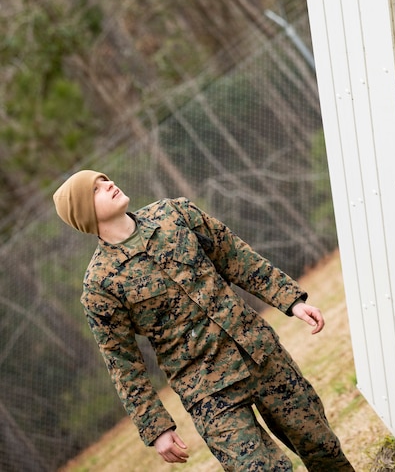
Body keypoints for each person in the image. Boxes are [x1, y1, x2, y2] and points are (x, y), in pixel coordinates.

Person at [53, 169, 355, 470]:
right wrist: (156, 427)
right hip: (208, 391)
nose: (108, 185)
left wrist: (290, 300)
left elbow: (235, 257)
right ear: (84, 213)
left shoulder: (174, 214)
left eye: (105, 179)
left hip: (262, 355)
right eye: (95, 189)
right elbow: (122, 361)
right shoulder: (100, 286)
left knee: (321, 448)